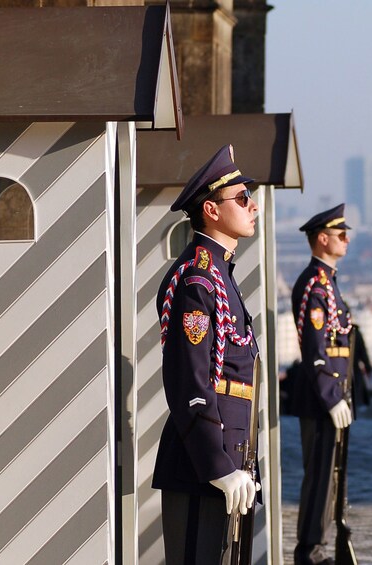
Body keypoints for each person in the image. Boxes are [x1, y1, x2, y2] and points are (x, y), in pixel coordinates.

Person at [152, 145, 261, 564]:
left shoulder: (220, 274)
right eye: (241, 198)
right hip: (204, 463)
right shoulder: (197, 279)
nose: (251, 206)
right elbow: (191, 381)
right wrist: (216, 464)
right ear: (211, 210)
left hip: (229, 455)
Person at [290, 203, 356, 565]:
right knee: (319, 475)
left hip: (331, 394)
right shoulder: (315, 284)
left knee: (332, 476)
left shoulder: (328, 282)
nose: (347, 239)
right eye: (340, 233)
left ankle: (319, 545)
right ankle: (310, 551)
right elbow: (315, 349)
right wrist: (332, 397)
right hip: (320, 397)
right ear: (322, 238)